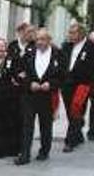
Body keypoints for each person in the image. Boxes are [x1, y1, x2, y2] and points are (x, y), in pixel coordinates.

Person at [15, 28, 64, 165]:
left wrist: (51, 84)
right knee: (27, 125)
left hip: (47, 95)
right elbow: (21, 73)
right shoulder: (29, 53)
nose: (39, 42)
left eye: (42, 39)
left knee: (45, 124)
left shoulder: (58, 54)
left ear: (49, 40)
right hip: (30, 95)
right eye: (37, 39)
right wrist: (30, 84)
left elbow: (62, 75)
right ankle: (25, 154)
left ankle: (44, 150)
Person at [60, 22, 94, 152]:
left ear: (81, 34)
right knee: (70, 111)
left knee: (77, 109)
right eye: (70, 32)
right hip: (67, 83)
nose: (70, 35)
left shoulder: (90, 47)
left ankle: (70, 141)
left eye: (73, 32)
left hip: (82, 84)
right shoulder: (66, 46)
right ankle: (78, 132)